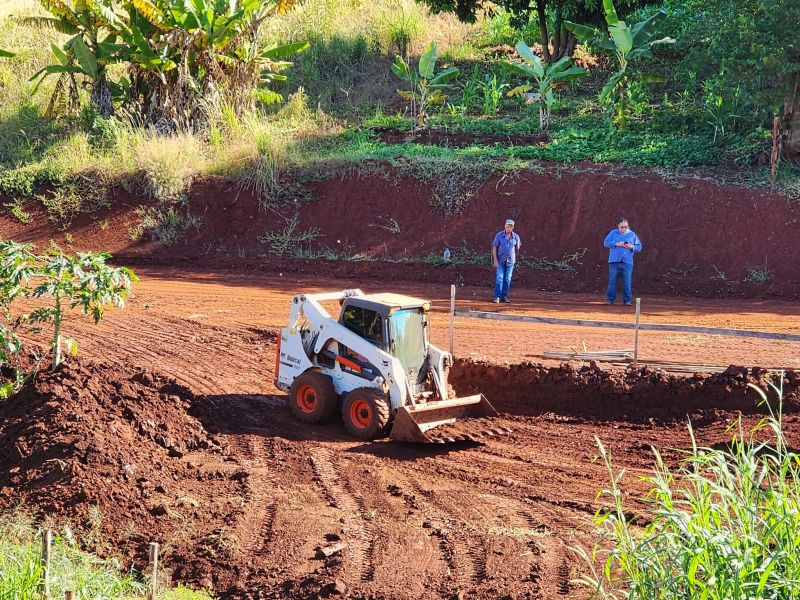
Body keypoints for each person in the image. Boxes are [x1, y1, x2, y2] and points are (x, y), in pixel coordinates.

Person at [603, 217, 642, 306]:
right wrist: (616, 244)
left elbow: (639, 247)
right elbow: (606, 242)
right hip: (614, 261)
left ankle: (627, 300)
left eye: (625, 227)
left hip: (627, 262)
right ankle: (610, 300)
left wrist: (631, 247)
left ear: (627, 226)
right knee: (612, 281)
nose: (623, 229)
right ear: (618, 226)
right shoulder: (613, 233)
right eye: (621, 227)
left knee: (627, 282)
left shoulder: (632, 234)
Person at [491, 219, 521, 303]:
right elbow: (494, 247)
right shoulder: (499, 235)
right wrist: (495, 261)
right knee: (499, 278)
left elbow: (518, 247)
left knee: (507, 279)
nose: (509, 228)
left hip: (510, 262)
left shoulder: (516, 237)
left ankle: (504, 296)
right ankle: (497, 296)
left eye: (511, 226)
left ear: (513, 227)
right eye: (507, 226)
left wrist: (517, 247)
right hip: (500, 261)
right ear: (505, 226)